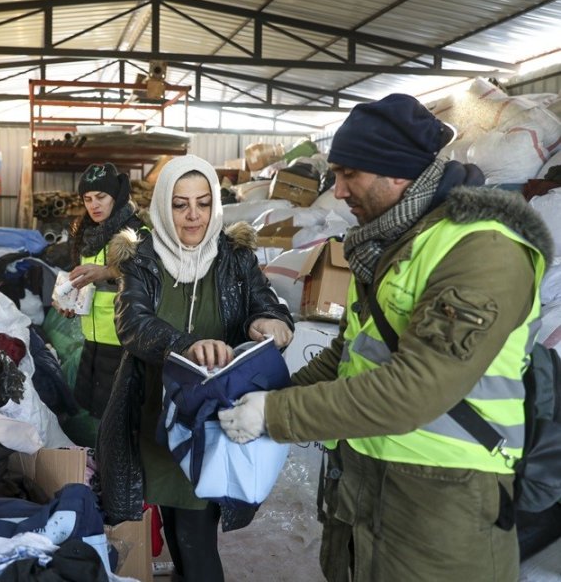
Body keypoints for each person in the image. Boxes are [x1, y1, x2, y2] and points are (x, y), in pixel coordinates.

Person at [218, 93, 553, 581]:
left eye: (350, 174)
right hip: (366, 489)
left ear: (397, 172)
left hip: (443, 505)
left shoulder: (484, 249)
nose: (338, 190)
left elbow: (418, 387)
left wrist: (276, 415)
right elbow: (348, 352)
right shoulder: (390, 243)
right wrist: (272, 391)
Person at [97, 154, 294, 582]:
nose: (193, 216)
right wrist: (188, 345)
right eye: (180, 204)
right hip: (155, 413)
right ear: (163, 206)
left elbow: (264, 304)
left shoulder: (235, 258)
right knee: (175, 525)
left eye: (203, 203)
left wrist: (270, 321)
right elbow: (133, 324)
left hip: (208, 417)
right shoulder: (142, 258)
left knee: (194, 532)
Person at [54, 163, 146, 426]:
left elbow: (150, 276)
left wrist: (106, 271)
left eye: (101, 197)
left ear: (115, 197)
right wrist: (70, 301)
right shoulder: (89, 235)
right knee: (101, 414)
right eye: (88, 199)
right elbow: (89, 284)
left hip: (123, 340)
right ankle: (103, 462)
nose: (94, 205)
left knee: (123, 417)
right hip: (94, 337)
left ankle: (119, 465)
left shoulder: (135, 233)